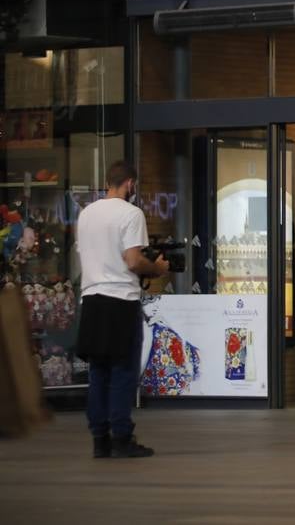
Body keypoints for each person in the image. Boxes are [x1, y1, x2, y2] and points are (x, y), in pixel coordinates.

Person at [75, 160, 169, 459]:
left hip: (91, 301)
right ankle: (122, 437)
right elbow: (132, 260)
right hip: (120, 302)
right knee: (123, 371)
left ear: (108, 182)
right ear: (130, 183)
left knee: (99, 372)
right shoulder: (131, 213)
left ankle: (99, 439)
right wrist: (155, 268)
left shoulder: (86, 214)